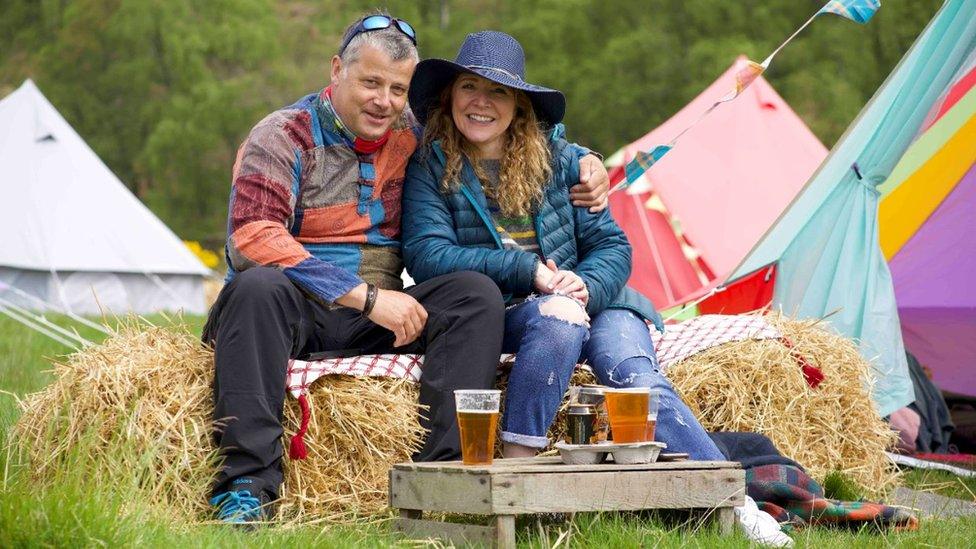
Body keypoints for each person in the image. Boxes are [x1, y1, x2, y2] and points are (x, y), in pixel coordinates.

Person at [202, 15, 611, 525]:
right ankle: (247, 485)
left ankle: (443, 476)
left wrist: (587, 161)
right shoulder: (282, 135)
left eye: (398, 88)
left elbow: (508, 125)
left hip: (377, 318)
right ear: (337, 70)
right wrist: (366, 297)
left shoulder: (410, 133)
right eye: (371, 83)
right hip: (292, 306)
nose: (384, 100)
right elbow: (251, 238)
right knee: (255, 284)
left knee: (475, 294)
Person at [401, 31, 729, 462]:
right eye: (469, 86)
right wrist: (528, 271)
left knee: (635, 378)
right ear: (450, 95)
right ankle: (520, 466)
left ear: (519, 104)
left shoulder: (566, 162)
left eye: (497, 91)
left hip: (599, 303)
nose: (481, 102)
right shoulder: (429, 164)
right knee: (559, 316)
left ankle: (732, 498)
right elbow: (428, 255)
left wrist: (586, 284)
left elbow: (612, 245)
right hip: (506, 310)